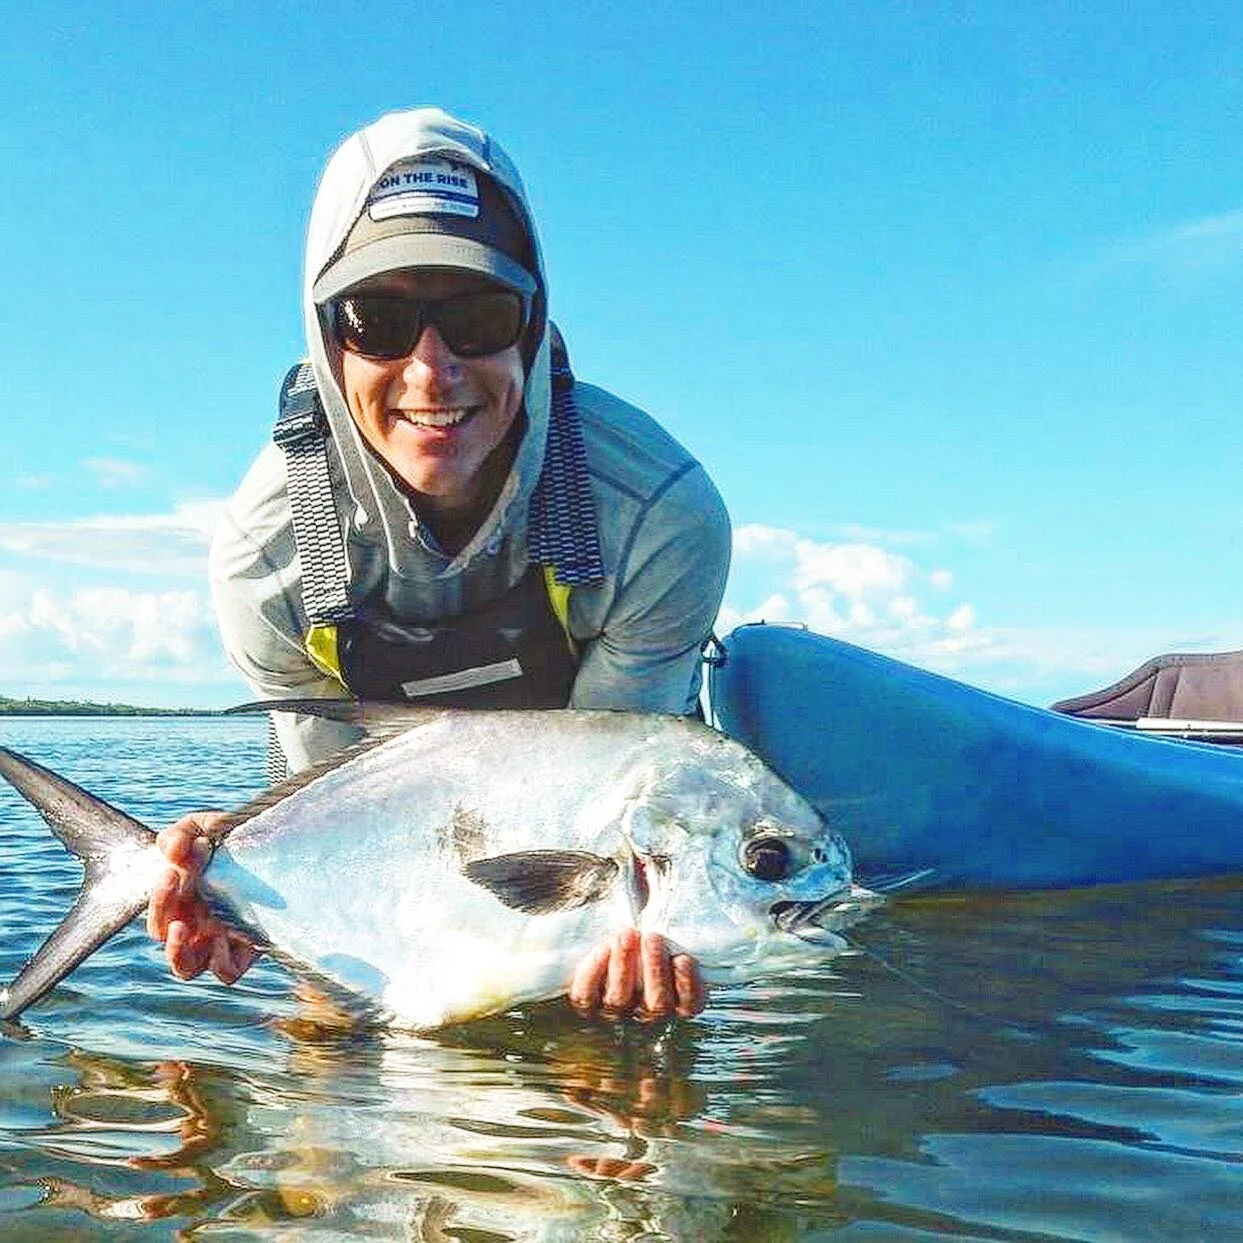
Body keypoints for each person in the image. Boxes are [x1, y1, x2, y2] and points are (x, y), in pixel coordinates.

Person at [147, 107, 731, 1021]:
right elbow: (334, 809)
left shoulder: (655, 518)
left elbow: (619, 787)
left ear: (532, 327)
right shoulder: (268, 556)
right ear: (323, 338)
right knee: (327, 1030)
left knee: (623, 1046)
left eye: (478, 316)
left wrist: (629, 925)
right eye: (375, 319)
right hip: (394, 825)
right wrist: (241, 887)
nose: (431, 370)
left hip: (575, 835)